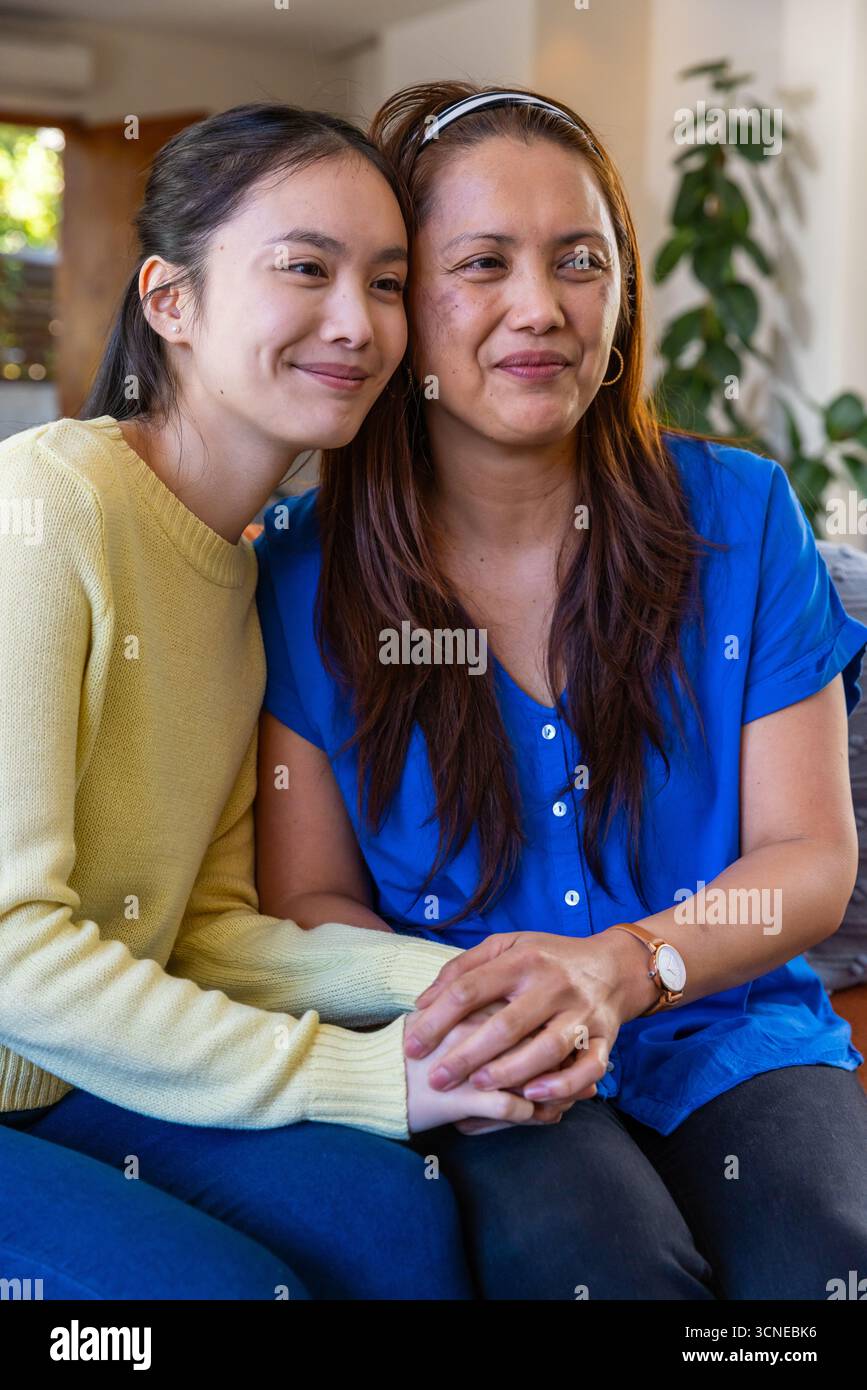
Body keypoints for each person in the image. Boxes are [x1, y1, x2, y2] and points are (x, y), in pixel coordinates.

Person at [254, 82, 867, 1299]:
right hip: (480, 1056)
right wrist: (488, 1010)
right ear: (400, 301)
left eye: (579, 260)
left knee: (826, 1259)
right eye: (482, 263)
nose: (540, 309)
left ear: (623, 287)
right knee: (594, 1264)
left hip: (727, 1028)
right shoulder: (298, 574)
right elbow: (307, 895)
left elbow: (807, 857)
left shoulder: (741, 516)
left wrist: (625, 968)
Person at [0, 101, 543, 1303]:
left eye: (390, 282)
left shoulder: (245, 569)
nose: (359, 323)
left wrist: (460, 982)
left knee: (395, 1221)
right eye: (307, 268)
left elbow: (203, 929)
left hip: (74, 1077)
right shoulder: (49, 511)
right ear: (170, 301)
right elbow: (9, 952)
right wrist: (365, 1079)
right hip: (21, 1061)